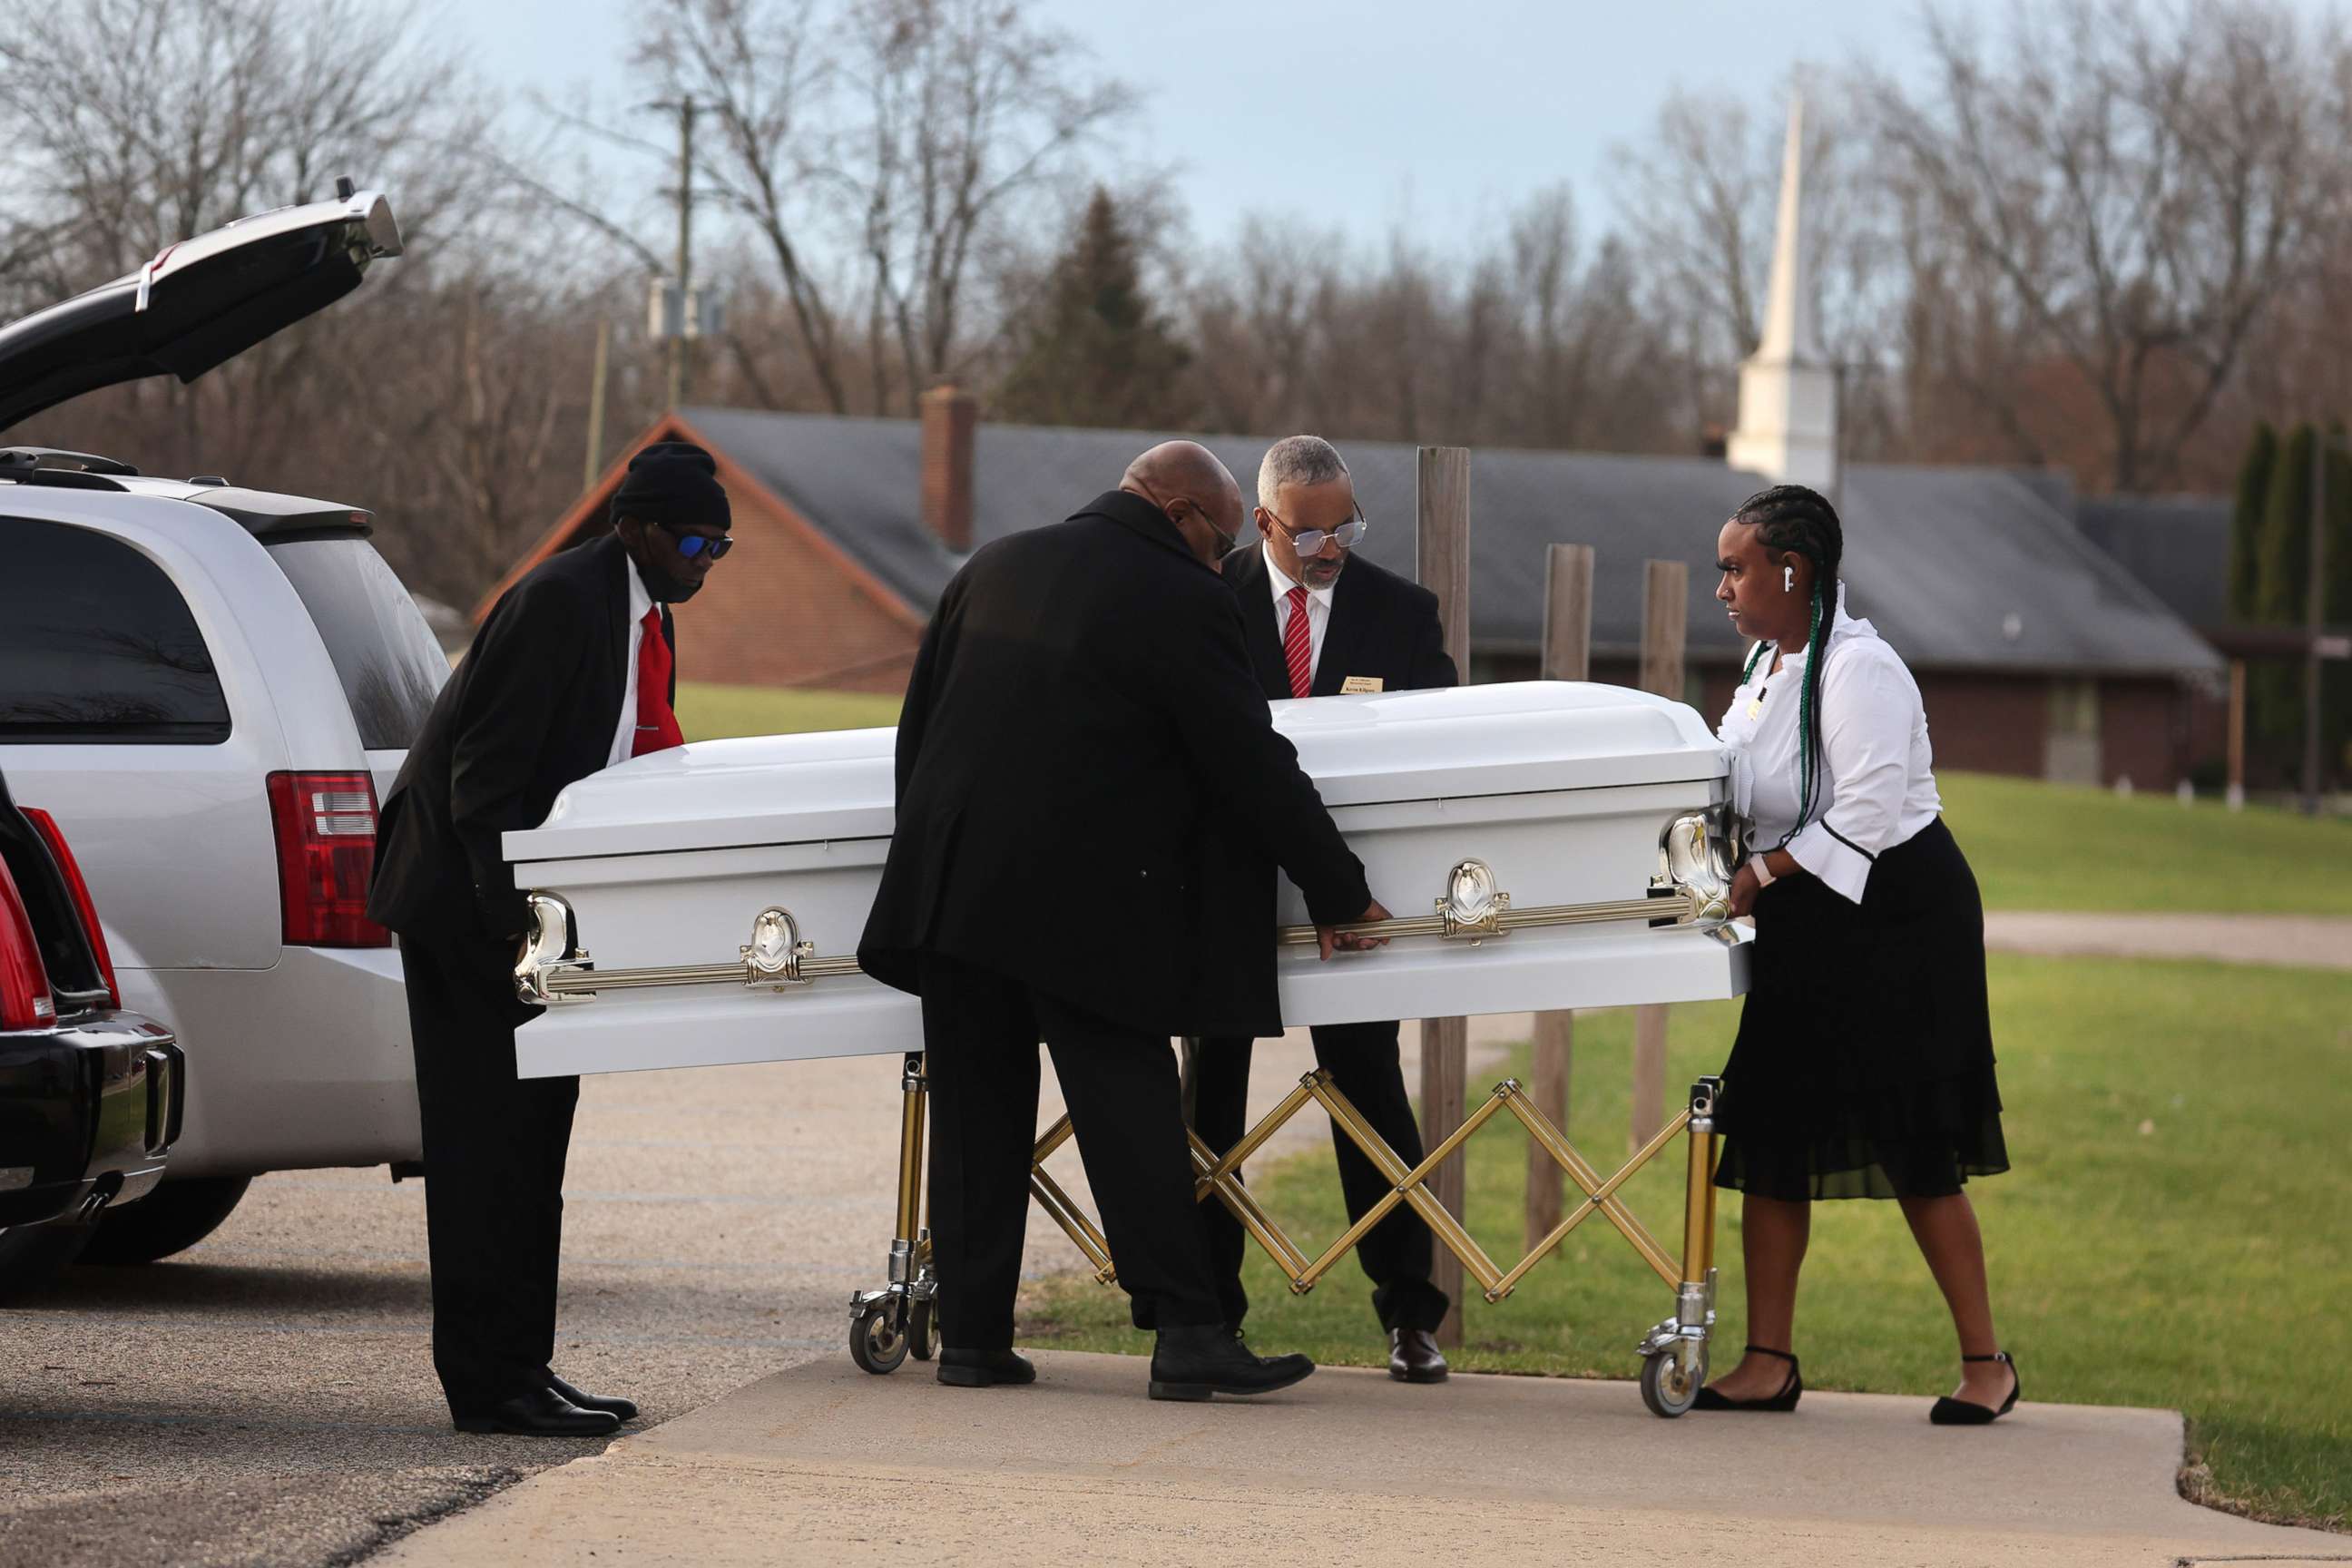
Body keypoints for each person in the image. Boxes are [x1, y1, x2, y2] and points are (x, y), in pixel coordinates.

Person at [858, 441, 1392, 1403]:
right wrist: (1339, 887)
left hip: (954, 890)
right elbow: (1246, 757)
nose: (1218, 563)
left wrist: (934, 864)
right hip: (1084, 902)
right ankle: (1188, 1331)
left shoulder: (991, 565)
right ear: (1183, 515)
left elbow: (918, 732)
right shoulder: (1177, 595)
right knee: (1130, 1113)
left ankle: (976, 1339)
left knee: (976, 1119)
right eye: (1219, 543)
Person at [368, 442, 735, 1436]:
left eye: (722, 546)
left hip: (534, 914)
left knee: (536, 1150)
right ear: (640, 529)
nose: (709, 560)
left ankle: (525, 1367)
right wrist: (510, 935)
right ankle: (487, 1386)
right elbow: (480, 781)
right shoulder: (562, 603)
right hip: (465, 907)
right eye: (698, 540)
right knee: (487, 1151)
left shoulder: (642, 613)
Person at [1696, 483, 2018, 1425]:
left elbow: (1870, 809)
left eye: (1735, 567)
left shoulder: (1861, 668)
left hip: (1901, 924)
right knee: (1768, 1125)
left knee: (1917, 1140)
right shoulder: (1767, 663)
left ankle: (1985, 1365)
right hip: (1808, 916)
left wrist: (1760, 873)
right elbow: (1733, 768)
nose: (1723, 586)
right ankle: (1767, 1361)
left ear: (1790, 571)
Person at [1187, 436, 1456, 1384]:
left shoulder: (1402, 613)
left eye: (1345, 525)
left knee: (1369, 1095)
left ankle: (1410, 1314)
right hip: (1223, 890)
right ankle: (1209, 1312)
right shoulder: (1203, 602)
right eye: (1309, 533)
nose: (1330, 546)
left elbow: (1440, 753)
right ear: (1262, 523)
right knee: (1209, 1100)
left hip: (1353, 897)